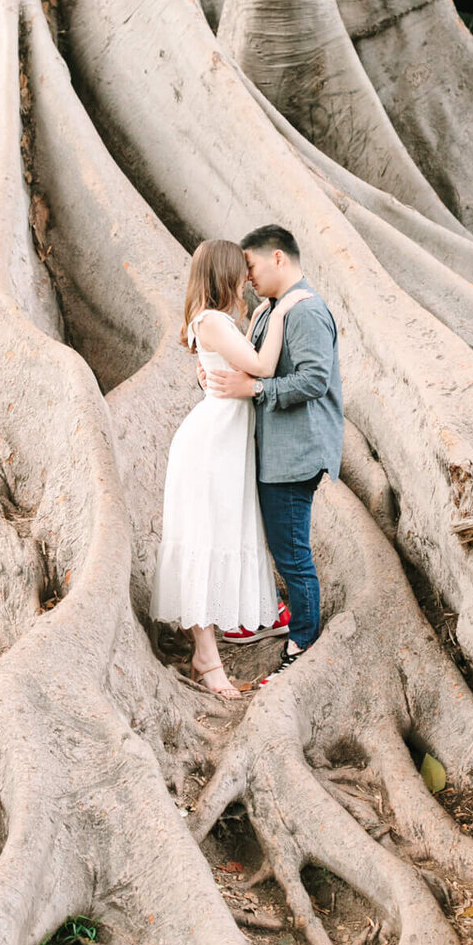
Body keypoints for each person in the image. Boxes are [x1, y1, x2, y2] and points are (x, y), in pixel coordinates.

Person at [150, 240, 311, 697]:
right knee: (205, 541)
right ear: (226, 272)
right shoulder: (213, 320)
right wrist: (282, 309)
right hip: (210, 448)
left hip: (222, 445)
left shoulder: (216, 321)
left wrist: (266, 315)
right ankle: (206, 658)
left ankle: (210, 648)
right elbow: (261, 365)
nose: (248, 276)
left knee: (217, 539)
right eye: (241, 268)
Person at [206, 225, 343, 682]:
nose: (246, 278)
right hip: (273, 452)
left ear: (278, 258)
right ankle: (275, 616)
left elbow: (313, 379)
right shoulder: (271, 309)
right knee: (277, 545)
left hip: (295, 453)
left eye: (251, 266)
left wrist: (257, 387)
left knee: (293, 555)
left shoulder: (304, 311)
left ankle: (303, 643)